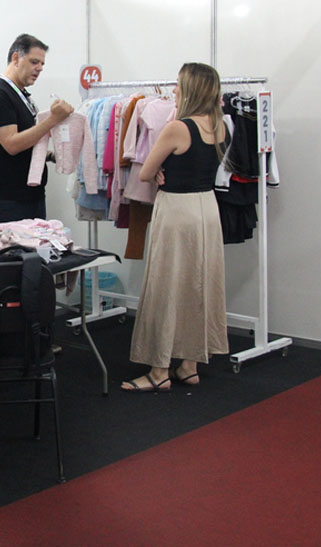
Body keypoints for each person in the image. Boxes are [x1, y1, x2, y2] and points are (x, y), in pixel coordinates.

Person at [122, 62, 230, 393]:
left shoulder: (177, 128)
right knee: (198, 284)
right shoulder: (221, 126)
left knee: (166, 285)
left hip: (177, 211)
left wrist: (156, 171)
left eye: (179, 85)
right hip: (207, 209)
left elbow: (144, 172)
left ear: (191, 89)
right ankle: (189, 365)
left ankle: (159, 370)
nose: (174, 90)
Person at [0, 33, 73, 225]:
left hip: (30, 196)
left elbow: (27, 143)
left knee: (37, 244)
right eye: (34, 62)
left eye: (42, 64)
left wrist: (51, 155)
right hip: (8, 200)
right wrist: (53, 119)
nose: (39, 68)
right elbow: (12, 144)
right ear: (16, 58)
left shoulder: (21, 96)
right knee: (16, 246)